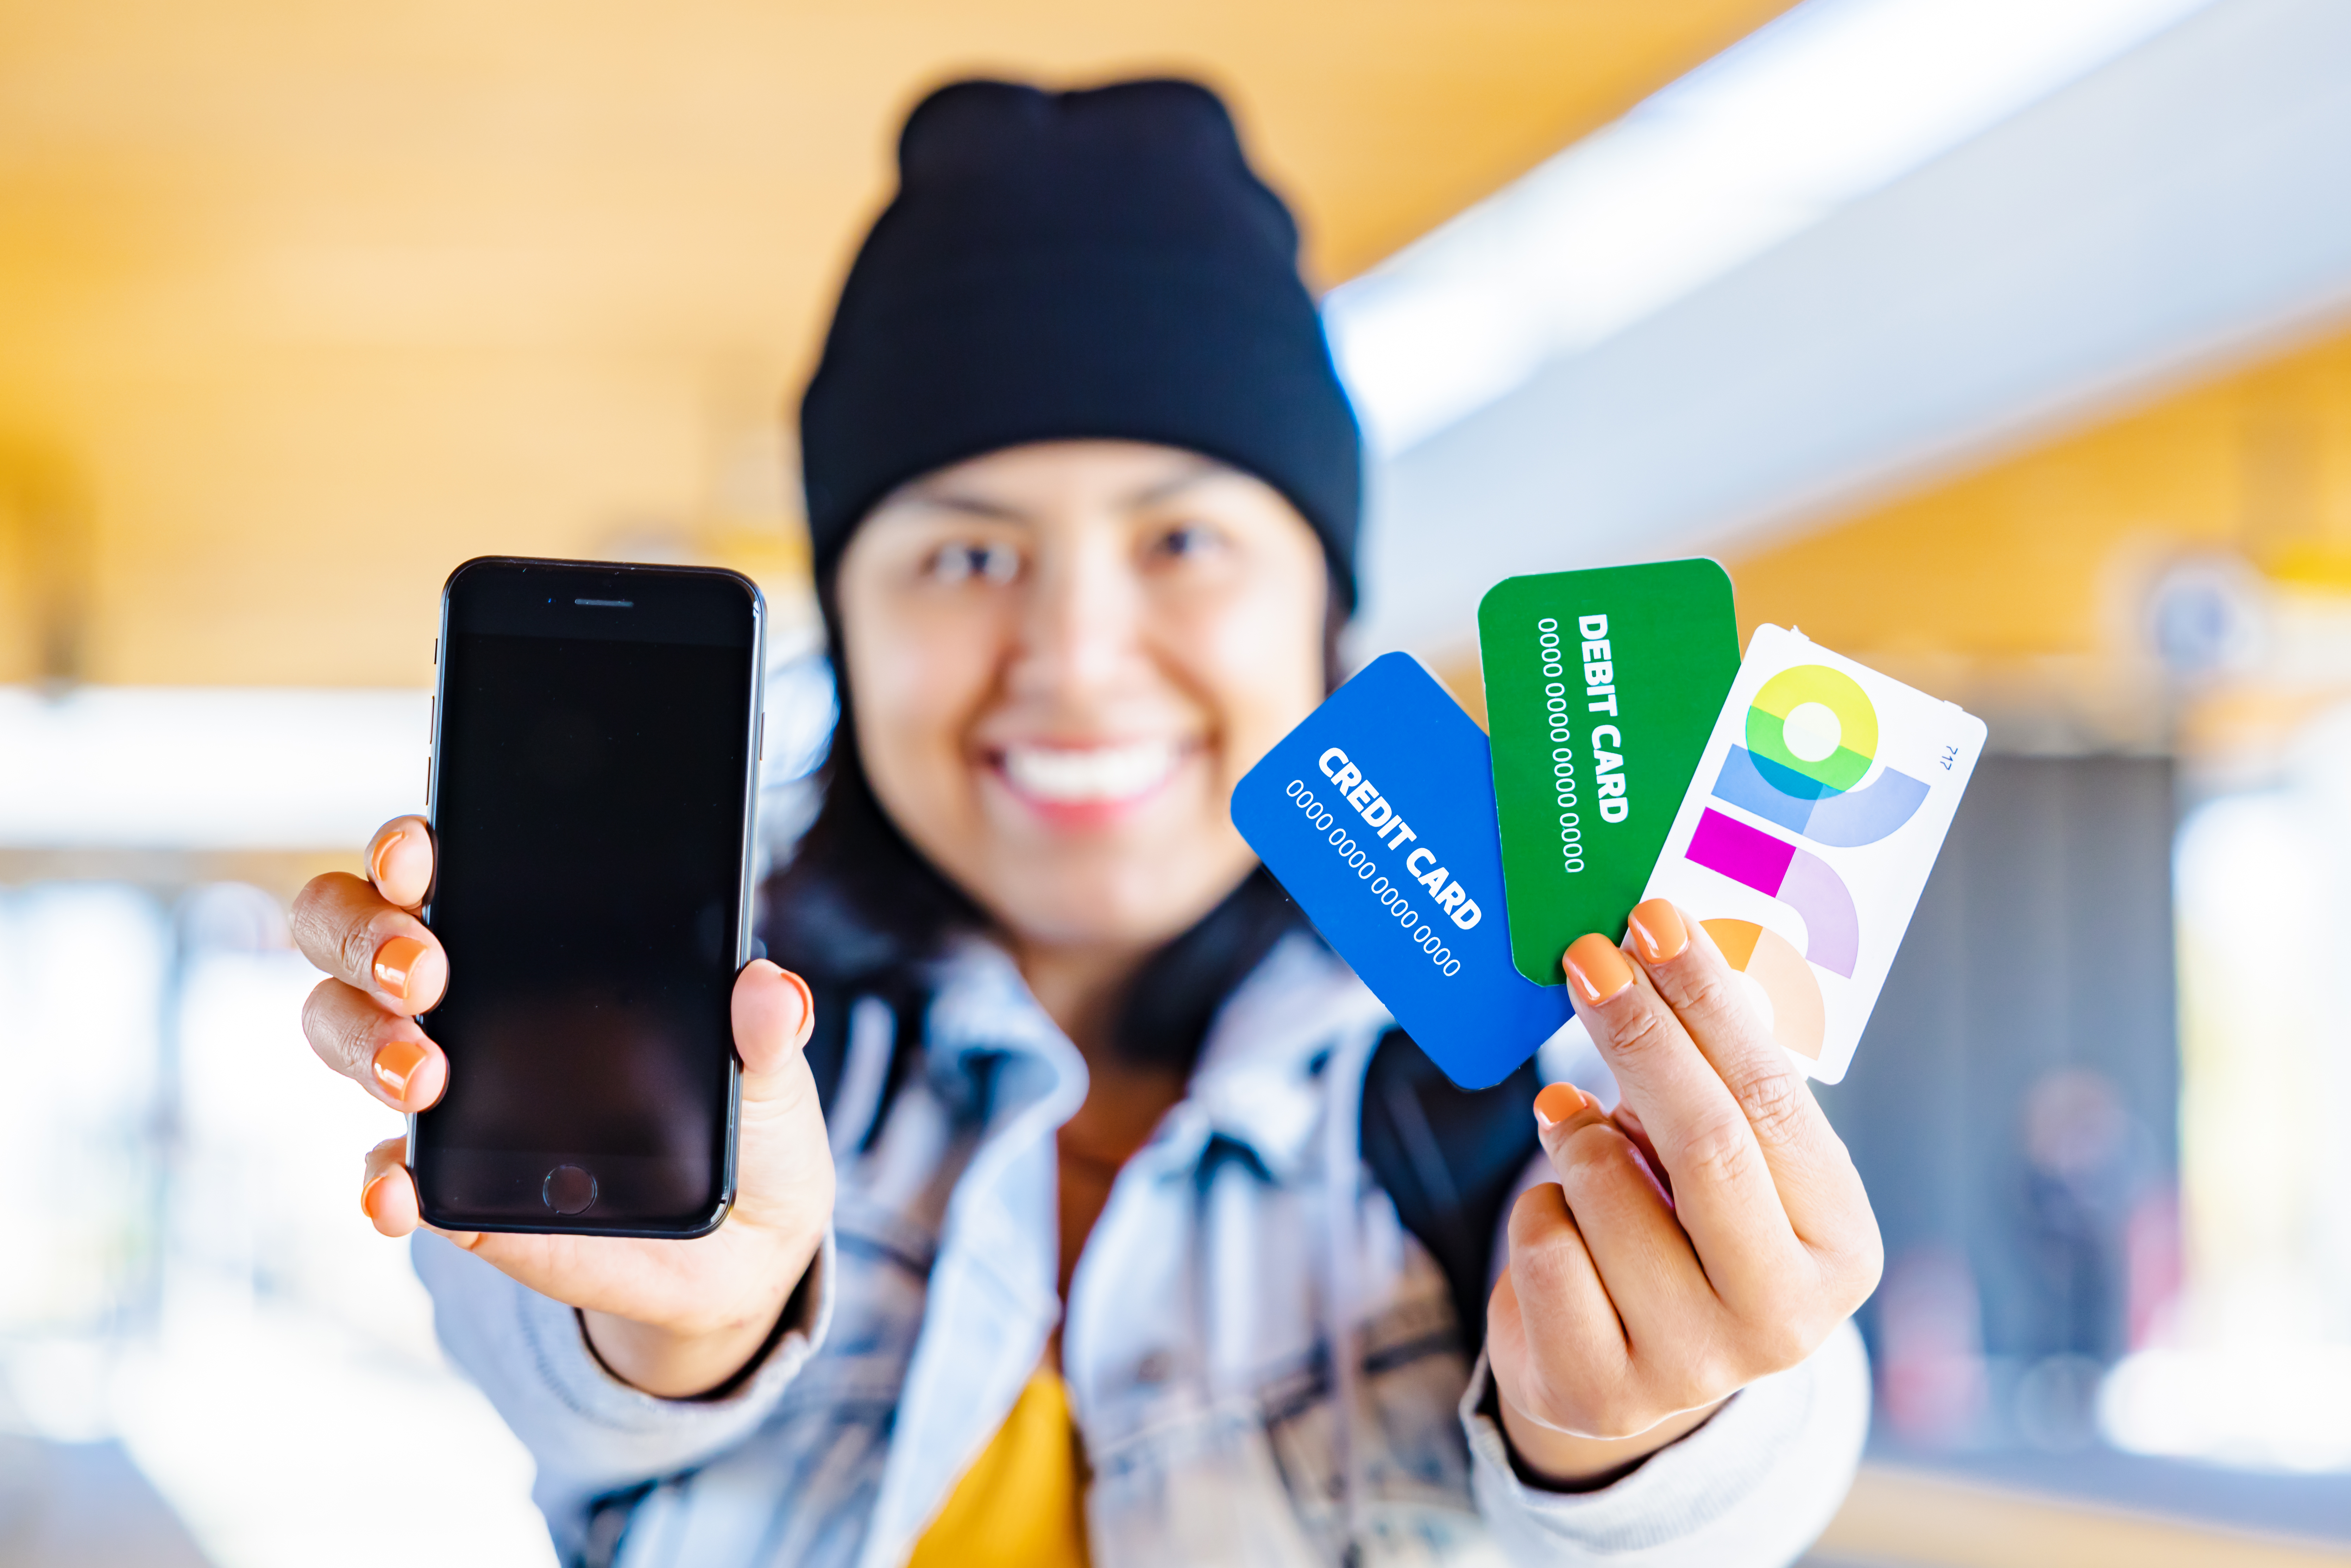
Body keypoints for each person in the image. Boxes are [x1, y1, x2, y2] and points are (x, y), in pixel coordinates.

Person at [291, 78, 1880, 1568]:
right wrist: (685, 1328)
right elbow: (542, 1363)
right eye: (967, 558)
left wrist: (1642, 1426)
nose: (1072, 656)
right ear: (846, 627)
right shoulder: (693, 1045)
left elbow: (1773, 1458)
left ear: (1324, 610)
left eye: (1181, 538)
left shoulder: (1533, 1071)